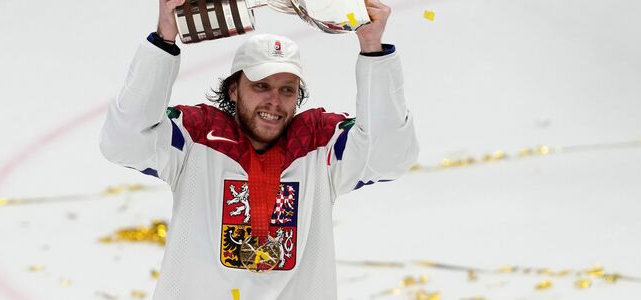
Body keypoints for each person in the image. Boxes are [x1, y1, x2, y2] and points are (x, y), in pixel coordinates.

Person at [100, 0, 418, 297]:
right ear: (234, 90)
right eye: (261, 86)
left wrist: (373, 49)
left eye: (287, 90)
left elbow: (388, 155)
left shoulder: (320, 146)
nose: (274, 101)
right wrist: (164, 39)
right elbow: (125, 141)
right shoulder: (195, 138)